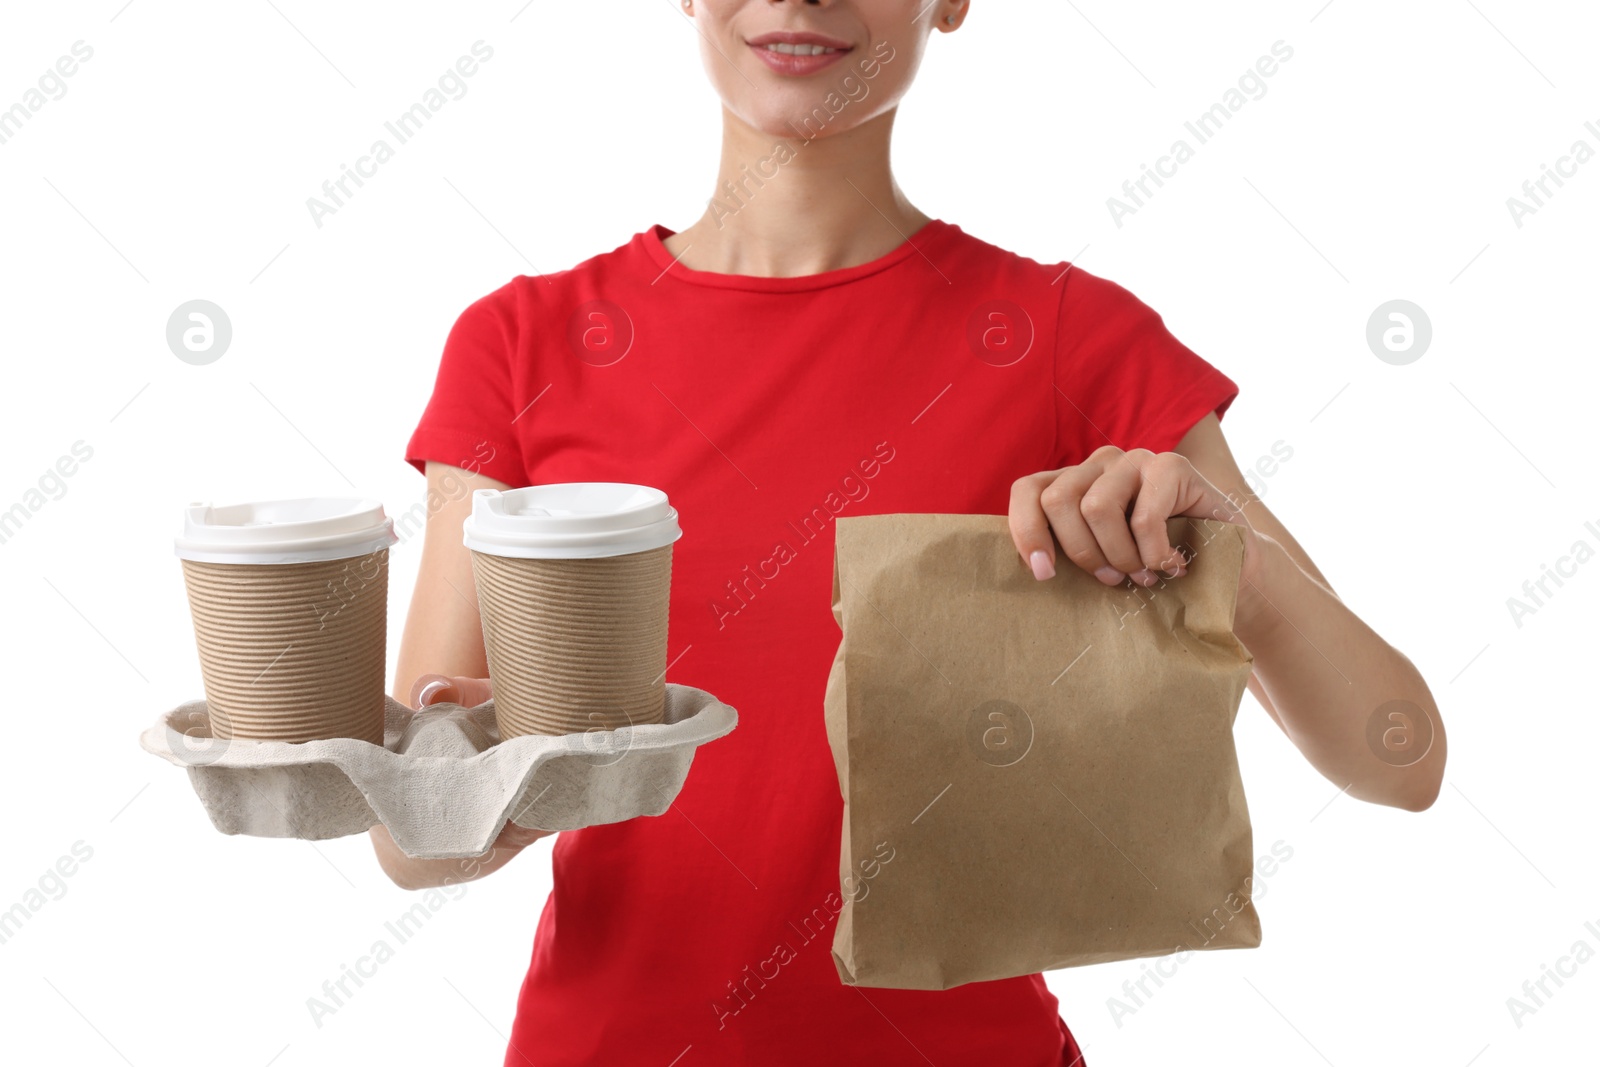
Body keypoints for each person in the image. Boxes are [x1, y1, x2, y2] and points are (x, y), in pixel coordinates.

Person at [368, 2, 1447, 1063]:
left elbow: (1400, 753)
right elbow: (410, 838)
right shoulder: (519, 344)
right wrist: (503, 785)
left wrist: (1233, 567)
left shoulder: (1069, 338)